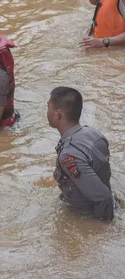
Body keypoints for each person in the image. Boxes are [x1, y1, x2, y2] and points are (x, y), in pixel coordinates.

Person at [47, 87, 114, 221]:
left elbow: (103, 197)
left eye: (48, 107)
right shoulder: (93, 134)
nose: (47, 112)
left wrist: (100, 229)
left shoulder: (69, 155)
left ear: (58, 114)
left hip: (84, 216)